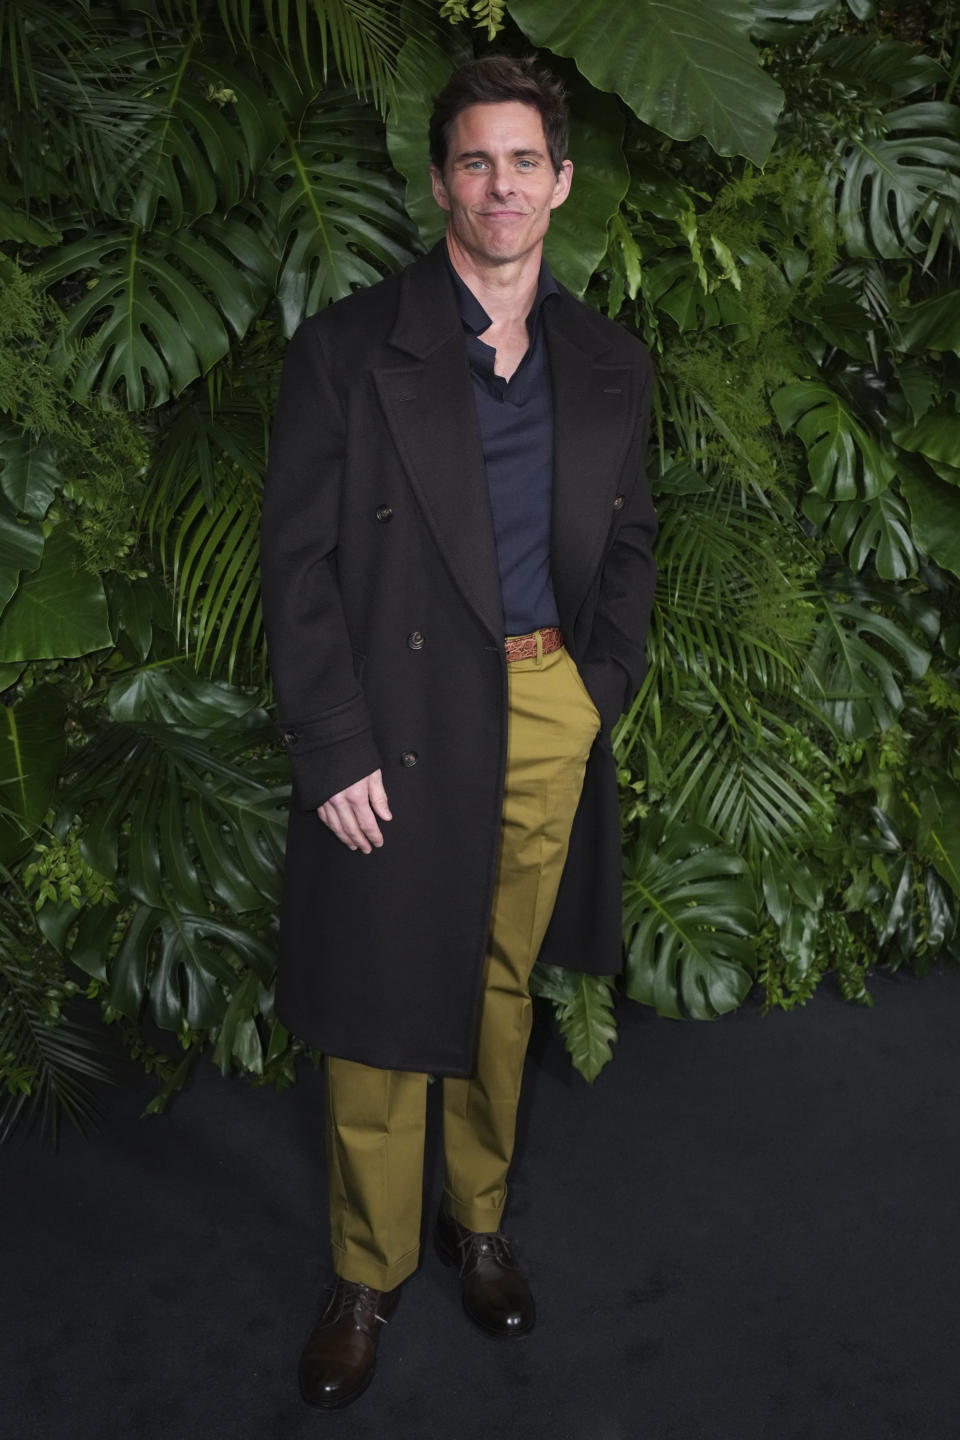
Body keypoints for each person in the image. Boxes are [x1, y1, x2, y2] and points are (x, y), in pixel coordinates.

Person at [260, 54, 657, 1409]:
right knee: (380, 1000)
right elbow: (297, 563)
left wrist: (596, 689)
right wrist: (330, 742)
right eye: (474, 161)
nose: (501, 186)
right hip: (396, 717)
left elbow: (634, 546)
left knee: (500, 988)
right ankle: (366, 1270)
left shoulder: (610, 363)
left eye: (524, 161)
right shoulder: (349, 352)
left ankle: (473, 1222)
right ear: (441, 183)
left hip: (546, 703)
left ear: (558, 181)